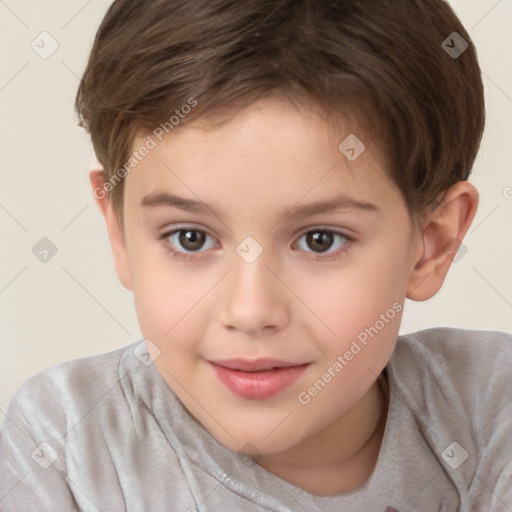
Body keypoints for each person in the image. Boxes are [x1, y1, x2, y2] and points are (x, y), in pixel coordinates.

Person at [1, 0, 511, 510]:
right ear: (120, 230)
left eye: (320, 240)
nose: (249, 311)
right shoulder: (66, 446)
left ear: (432, 244)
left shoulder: (490, 411)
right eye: (190, 238)